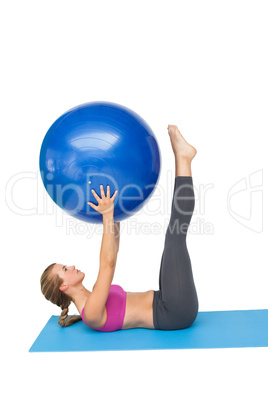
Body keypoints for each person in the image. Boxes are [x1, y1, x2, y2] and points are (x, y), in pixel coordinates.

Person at [40, 125, 199, 331]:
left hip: (166, 300)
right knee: (175, 235)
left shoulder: (93, 296)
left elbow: (113, 250)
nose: (70, 266)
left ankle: (183, 157)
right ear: (63, 286)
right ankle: (183, 158)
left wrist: (114, 216)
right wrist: (106, 215)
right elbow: (108, 264)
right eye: (64, 269)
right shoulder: (91, 312)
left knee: (174, 236)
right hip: (173, 312)